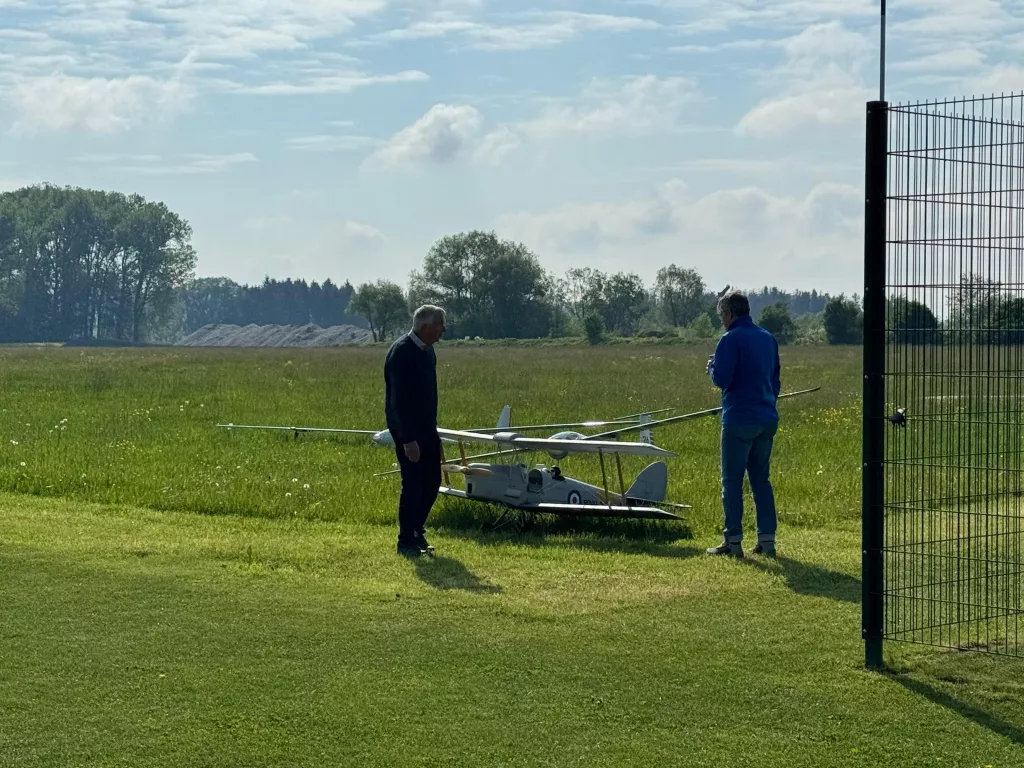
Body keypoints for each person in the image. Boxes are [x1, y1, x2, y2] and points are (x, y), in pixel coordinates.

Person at [705, 290, 781, 559]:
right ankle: (767, 541)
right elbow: (775, 382)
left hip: (739, 420)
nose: (721, 321)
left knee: (732, 482)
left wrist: (712, 368)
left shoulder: (729, 339)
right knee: (761, 480)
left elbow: (723, 379)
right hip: (767, 417)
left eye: (721, 316)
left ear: (729, 313)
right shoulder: (768, 338)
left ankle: (733, 541)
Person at [384, 305, 447, 557]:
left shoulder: (429, 352)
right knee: (412, 485)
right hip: (409, 434)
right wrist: (407, 439)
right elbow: (395, 402)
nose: (444, 330)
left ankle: (416, 531)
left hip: (428, 430)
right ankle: (405, 541)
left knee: (432, 482)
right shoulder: (401, 353)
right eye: (441, 324)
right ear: (425, 327)